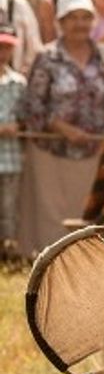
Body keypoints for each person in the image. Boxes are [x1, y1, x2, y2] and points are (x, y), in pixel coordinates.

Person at [17, 0, 104, 255]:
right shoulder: (47, 57)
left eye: (85, 18)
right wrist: (63, 129)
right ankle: (47, 262)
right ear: (60, 22)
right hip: (53, 148)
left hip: (93, 150)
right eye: (72, 18)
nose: (80, 24)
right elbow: (33, 106)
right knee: (51, 213)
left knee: (84, 211)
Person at [0, 25, 24, 255]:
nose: (2, 51)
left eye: (6, 47)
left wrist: (19, 126)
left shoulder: (19, 82)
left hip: (12, 158)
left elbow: (27, 118)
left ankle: (7, 251)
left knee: (9, 208)